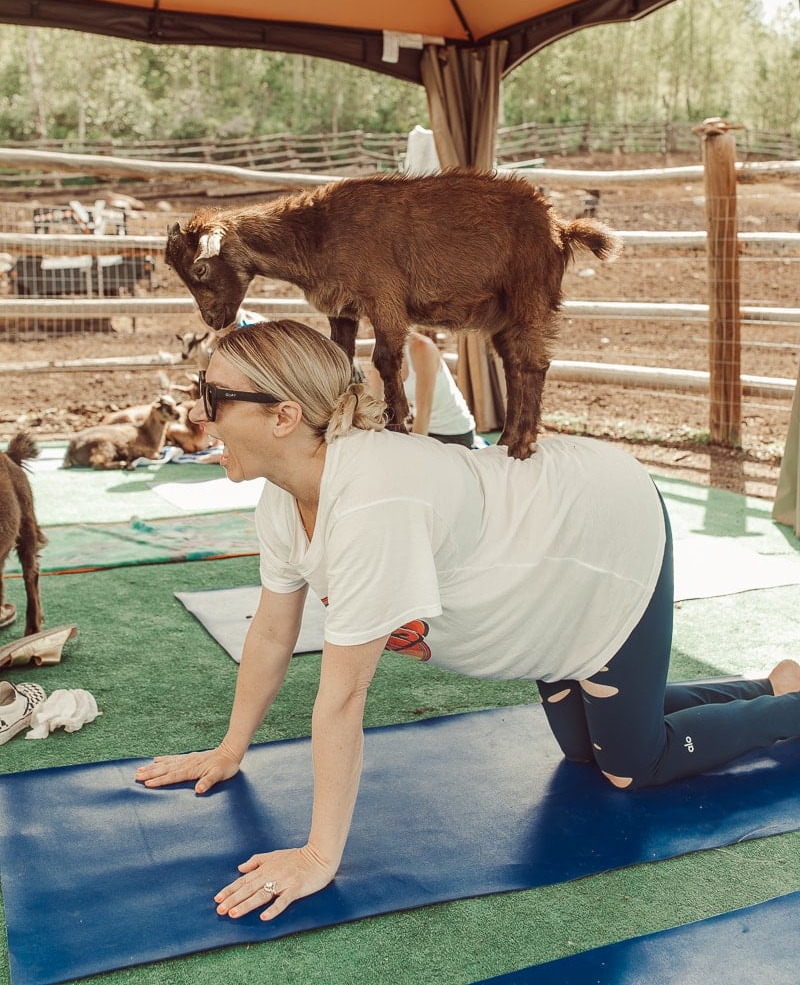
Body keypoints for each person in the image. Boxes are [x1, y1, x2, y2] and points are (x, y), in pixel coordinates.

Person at [136, 319, 800, 924]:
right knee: (584, 751)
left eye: (214, 395)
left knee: (629, 762)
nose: (198, 411)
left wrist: (318, 856)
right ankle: (771, 685)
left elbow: (341, 699)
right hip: (539, 577)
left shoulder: (371, 505)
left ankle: (790, 706)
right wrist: (229, 750)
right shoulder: (287, 499)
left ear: (284, 416)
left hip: (597, 541)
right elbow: (274, 631)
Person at [365, 328, 477, 448]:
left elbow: (424, 411)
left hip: (454, 433)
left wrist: (415, 453)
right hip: (423, 429)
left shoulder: (423, 348)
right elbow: (374, 403)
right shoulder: (381, 351)